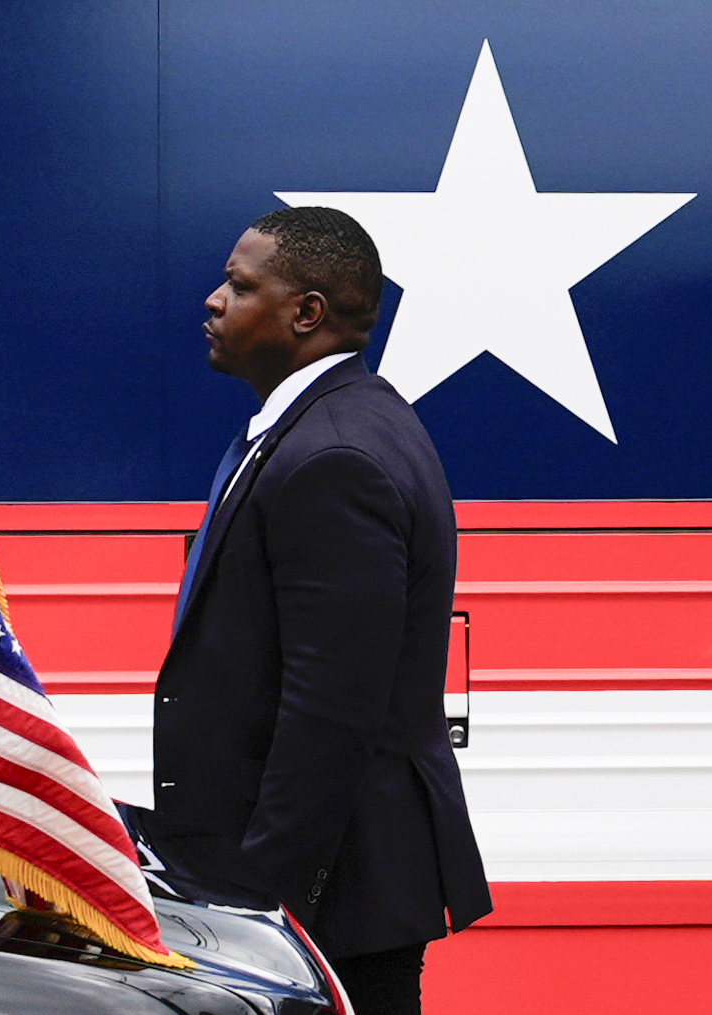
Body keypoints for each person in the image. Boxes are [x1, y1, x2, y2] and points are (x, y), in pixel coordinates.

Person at [149, 207, 491, 1015]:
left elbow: (329, 712)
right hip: (325, 886)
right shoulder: (316, 426)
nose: (213, 300)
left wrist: (263, 912)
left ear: (306, 313)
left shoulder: (332, 455)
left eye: (239, 285)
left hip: (330, 900)